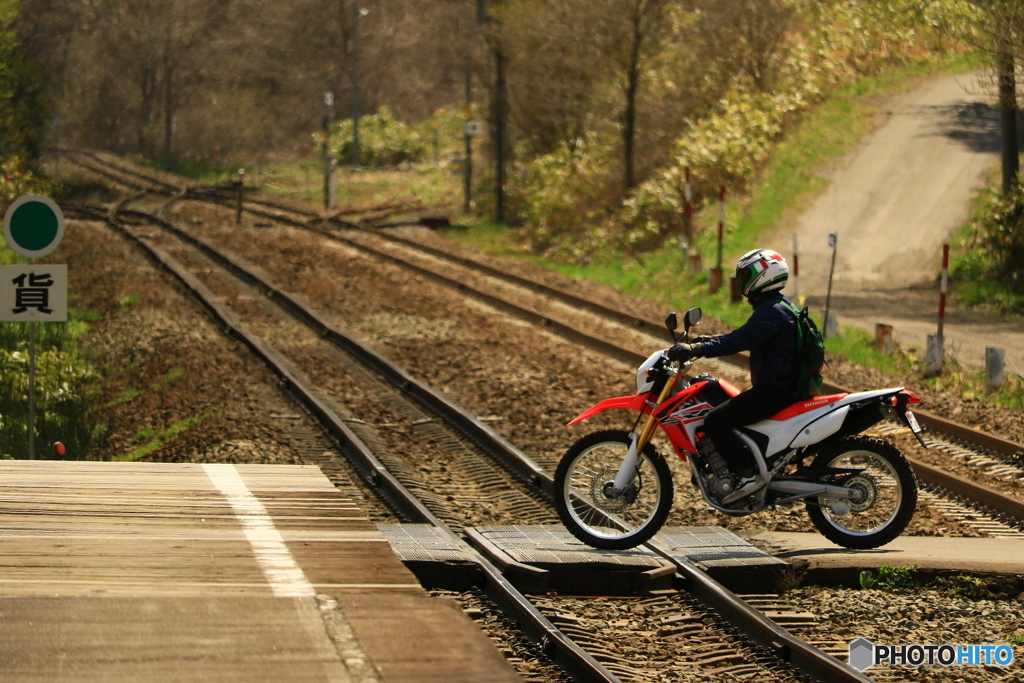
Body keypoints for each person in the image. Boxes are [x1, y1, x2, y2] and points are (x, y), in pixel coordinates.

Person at [668, 248, 799, 500]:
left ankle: (746, 476)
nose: (741, 281)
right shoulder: (778, 305)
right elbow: (745, 334)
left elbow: (741, 340)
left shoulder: (771, 310)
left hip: (776, 390)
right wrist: (709, 341)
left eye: (746, 275)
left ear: (763, 276)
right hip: (783, 386)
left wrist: (698, 348)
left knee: (716, 420)